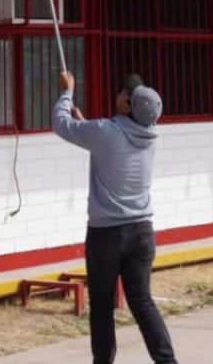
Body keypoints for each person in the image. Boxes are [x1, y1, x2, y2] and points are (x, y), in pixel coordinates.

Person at [53, 70, 179, 364]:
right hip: (141, 232)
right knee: (143, 302)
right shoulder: (148, 135)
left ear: (126, 106)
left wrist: (66, 91)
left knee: (101, 305)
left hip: (106, 236)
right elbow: (110, 144)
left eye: (125, 93)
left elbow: (60, 124)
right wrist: (87, 128)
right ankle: (167, 361)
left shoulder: (104, 132)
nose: (121, 92)